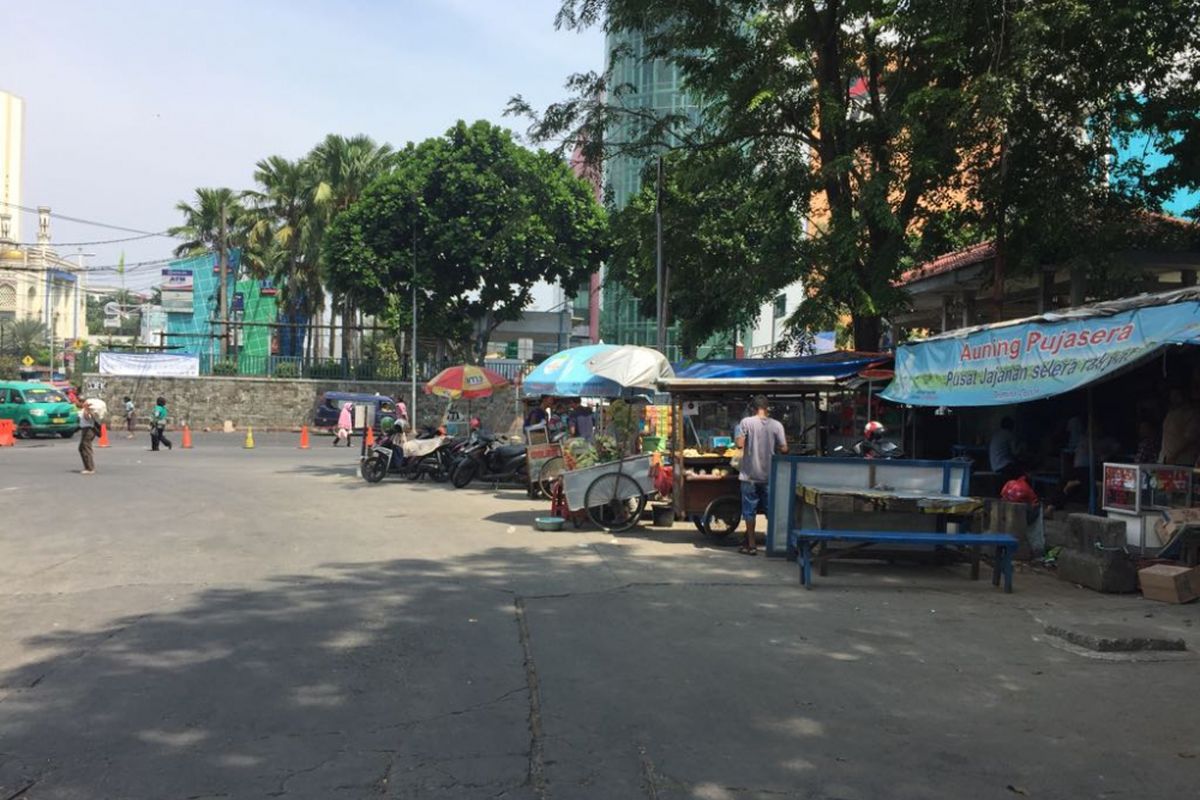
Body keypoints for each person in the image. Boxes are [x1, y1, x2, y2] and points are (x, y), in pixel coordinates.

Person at [735, 395, 788, 555]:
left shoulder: (745, 422)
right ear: (767, 408)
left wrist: (739, 432)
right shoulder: (777, 425)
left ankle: (751, 546)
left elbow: (739, 445)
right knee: (771, 510)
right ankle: (774, 544)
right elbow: (784, 449)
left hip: (749, 475)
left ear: (752, 408)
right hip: (769, 476)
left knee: (749, 511)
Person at [1159, 388, 1200, 465]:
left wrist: (1174, 456)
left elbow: (1189, 440)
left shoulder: (1192, 415)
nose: (1173, 398)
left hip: (1182, 462)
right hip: (1164, 459)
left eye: (1176, 395)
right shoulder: (1170, 413)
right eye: (1172, 395)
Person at [989, 417, 1022, 482]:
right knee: (1023, 474)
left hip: (994, 466)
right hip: (1004, 466)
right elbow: (1015, 452)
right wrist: (1022, 446)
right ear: (1011, 426)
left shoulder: (997, 434)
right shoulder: (1009, 435)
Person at [76, 395, 96, 475]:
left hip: (88, 431)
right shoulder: (82, 410)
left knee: (86, 448)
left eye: (80, 401)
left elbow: (88, 418)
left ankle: (90, 468)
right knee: (81, 448)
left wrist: (86, 409)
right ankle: (87, 466)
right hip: (85, 430)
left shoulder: (88, 410)